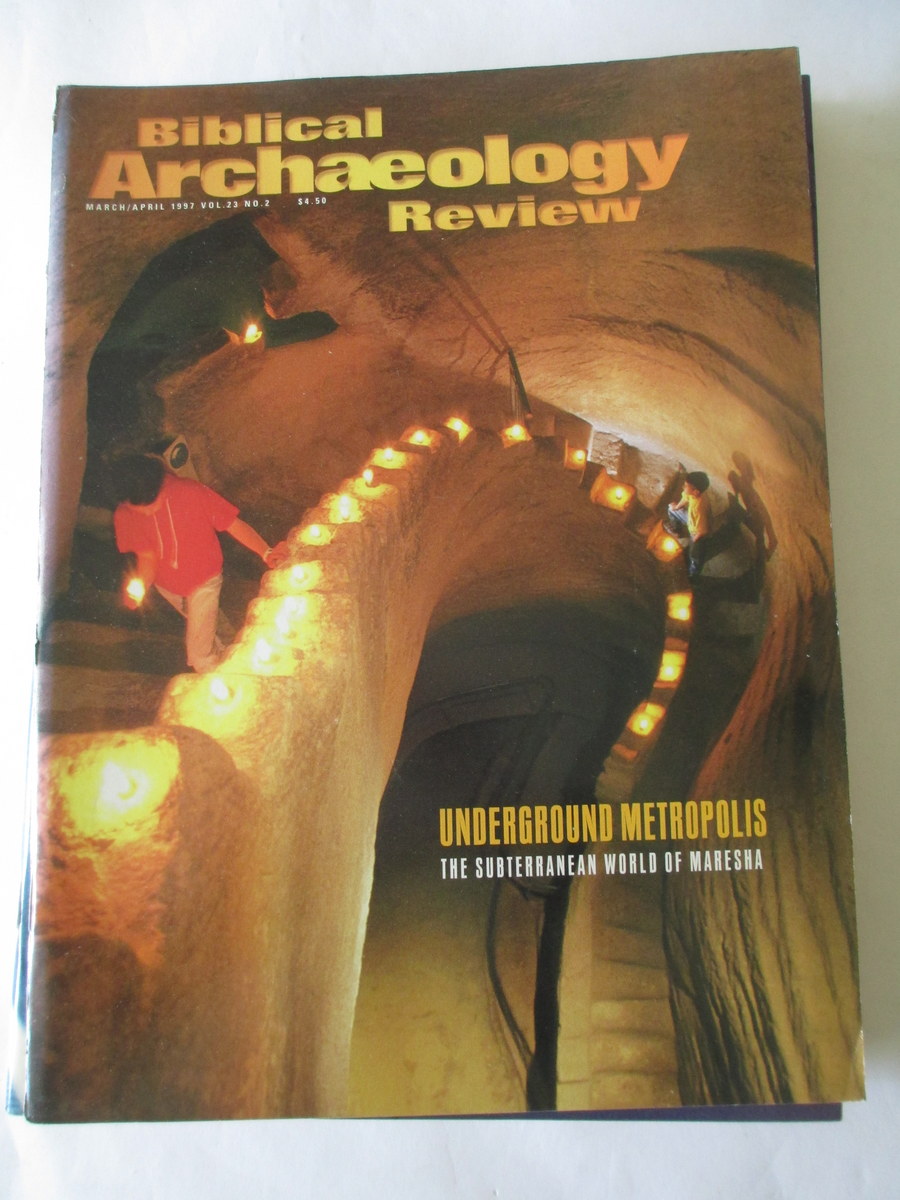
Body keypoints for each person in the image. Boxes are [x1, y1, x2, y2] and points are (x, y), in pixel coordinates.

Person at [112, 454, 286, 672]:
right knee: (203, 624)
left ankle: (226, 678)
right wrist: (140, 590)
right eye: (139, 509)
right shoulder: (125, 515)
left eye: (153, 502)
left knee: (199, 654)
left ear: (163, 483)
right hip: (169, 587)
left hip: (204, 580)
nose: (148, 511)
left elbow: (232, 524)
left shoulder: (191, 492)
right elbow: (147, 557)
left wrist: (266, 551)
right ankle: (226, 647)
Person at [666, 471, 712, 579]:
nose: (683, 487)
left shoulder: (699, 509)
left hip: (697, 532)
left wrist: (694, 541)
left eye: (686, 486)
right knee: (671, 509)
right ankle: (677, 530)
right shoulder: (693, 494)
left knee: (694, 554)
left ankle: (693, 575)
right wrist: (676, 507)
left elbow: (703, 530)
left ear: (695, 492)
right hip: (691, 519)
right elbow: (685, 498)